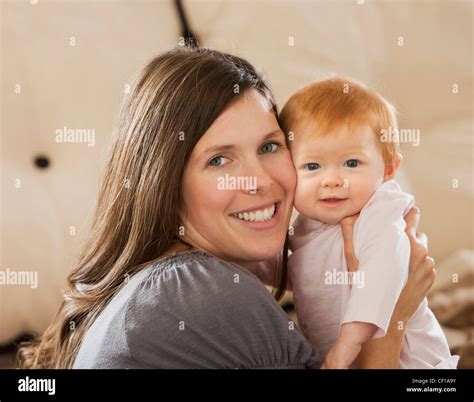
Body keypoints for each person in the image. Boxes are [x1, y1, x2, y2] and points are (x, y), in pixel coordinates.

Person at [18, 48, 436, 369]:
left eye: (270, 147)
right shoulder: (206, 295)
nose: (260, 181)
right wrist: (396, 312)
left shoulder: (165, 285)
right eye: (219, 160)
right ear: (165, 183)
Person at [276, 77, 458, 369]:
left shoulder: (380, 213)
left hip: (411, 362)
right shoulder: (308, 225)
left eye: (351, 163)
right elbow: (300, 271)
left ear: (388, 169)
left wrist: (349, 342)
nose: (332, 179)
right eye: (312, 166)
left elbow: (382, 274)